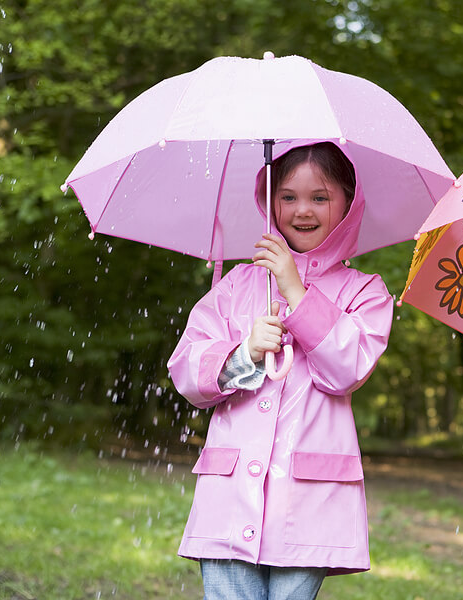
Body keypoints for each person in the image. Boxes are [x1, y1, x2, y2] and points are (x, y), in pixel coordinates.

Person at [168, 142, 394, 600]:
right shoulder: (236, 285)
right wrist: (244, 352)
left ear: (348, 204)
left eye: (320, 197)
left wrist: (296, 290)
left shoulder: (364, 292)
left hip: (310, 502)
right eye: (288, 196)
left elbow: (346, 369)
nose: (302, 210)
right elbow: (186, 369)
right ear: (269, 200)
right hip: (230, 498)